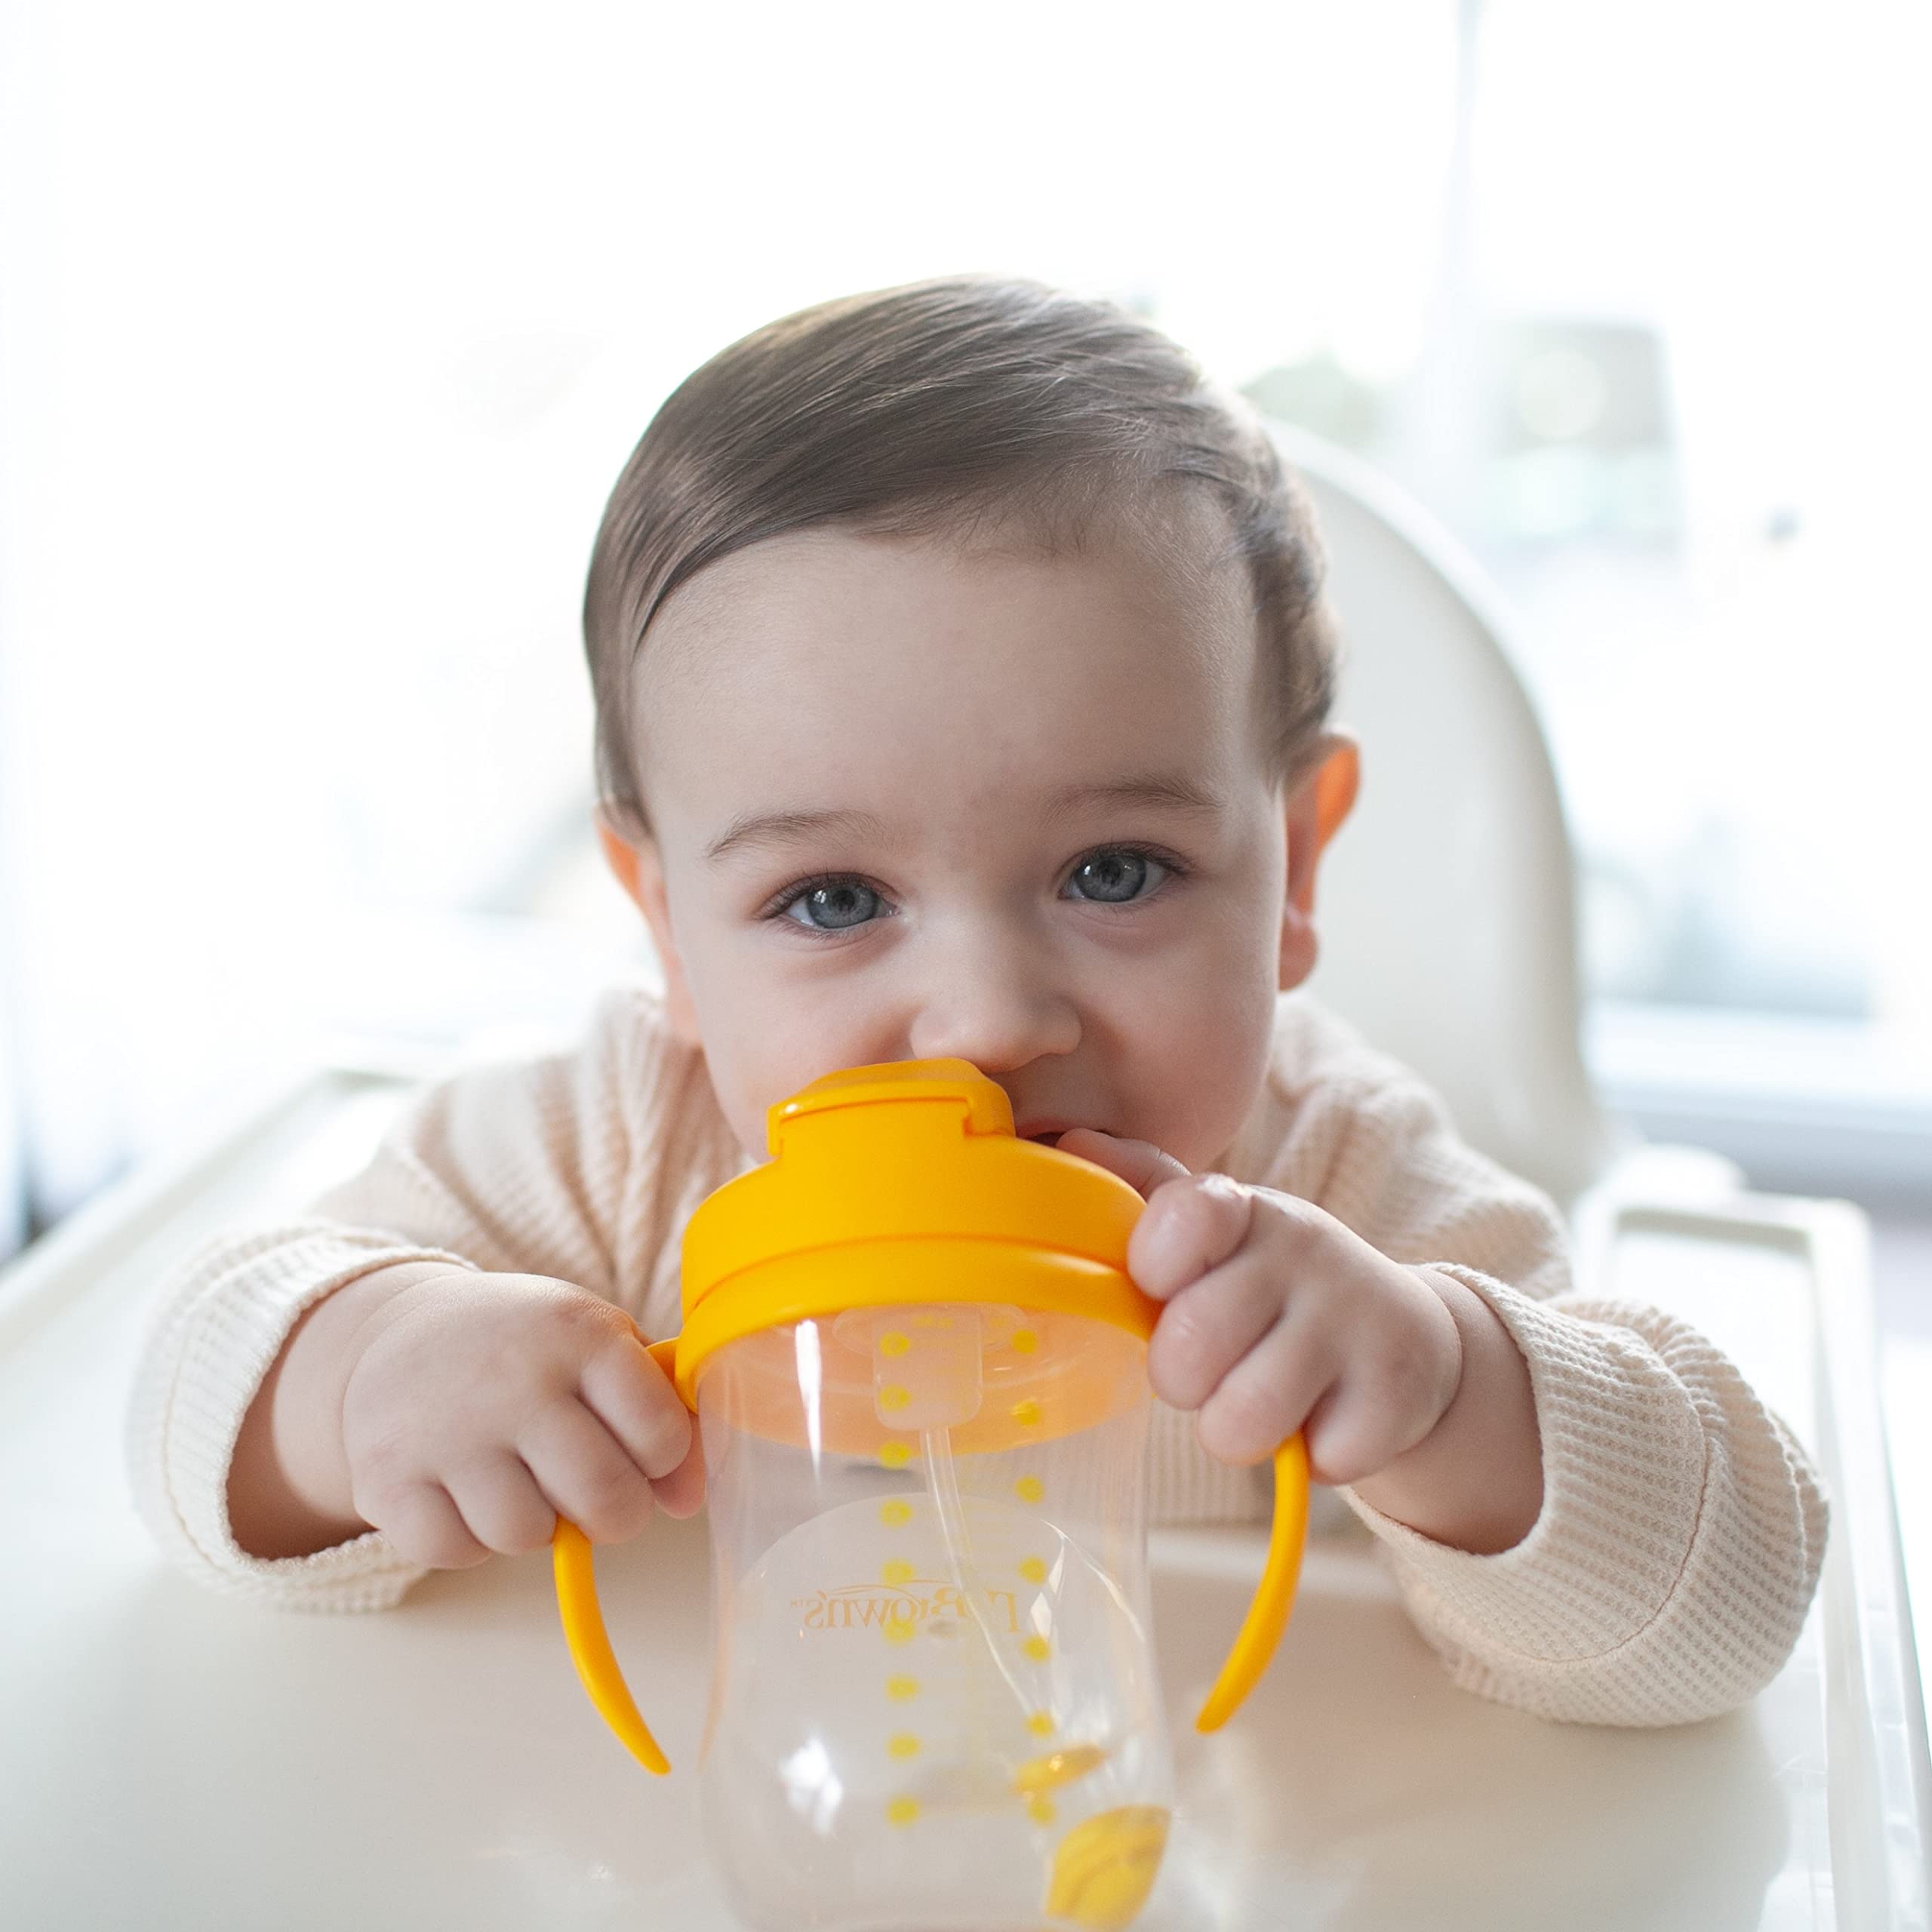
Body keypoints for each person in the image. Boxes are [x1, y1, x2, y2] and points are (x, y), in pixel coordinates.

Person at [126, 276, 1826, 1728]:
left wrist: (1446, 1390)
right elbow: (182, 1394)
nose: (986, 1019)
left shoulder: (1332, 1192)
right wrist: (358, 1377)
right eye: (832, 900)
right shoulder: (601, 1151)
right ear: (665, 928)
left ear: (1294, 866)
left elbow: (1731, 1605)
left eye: (1113, 871)